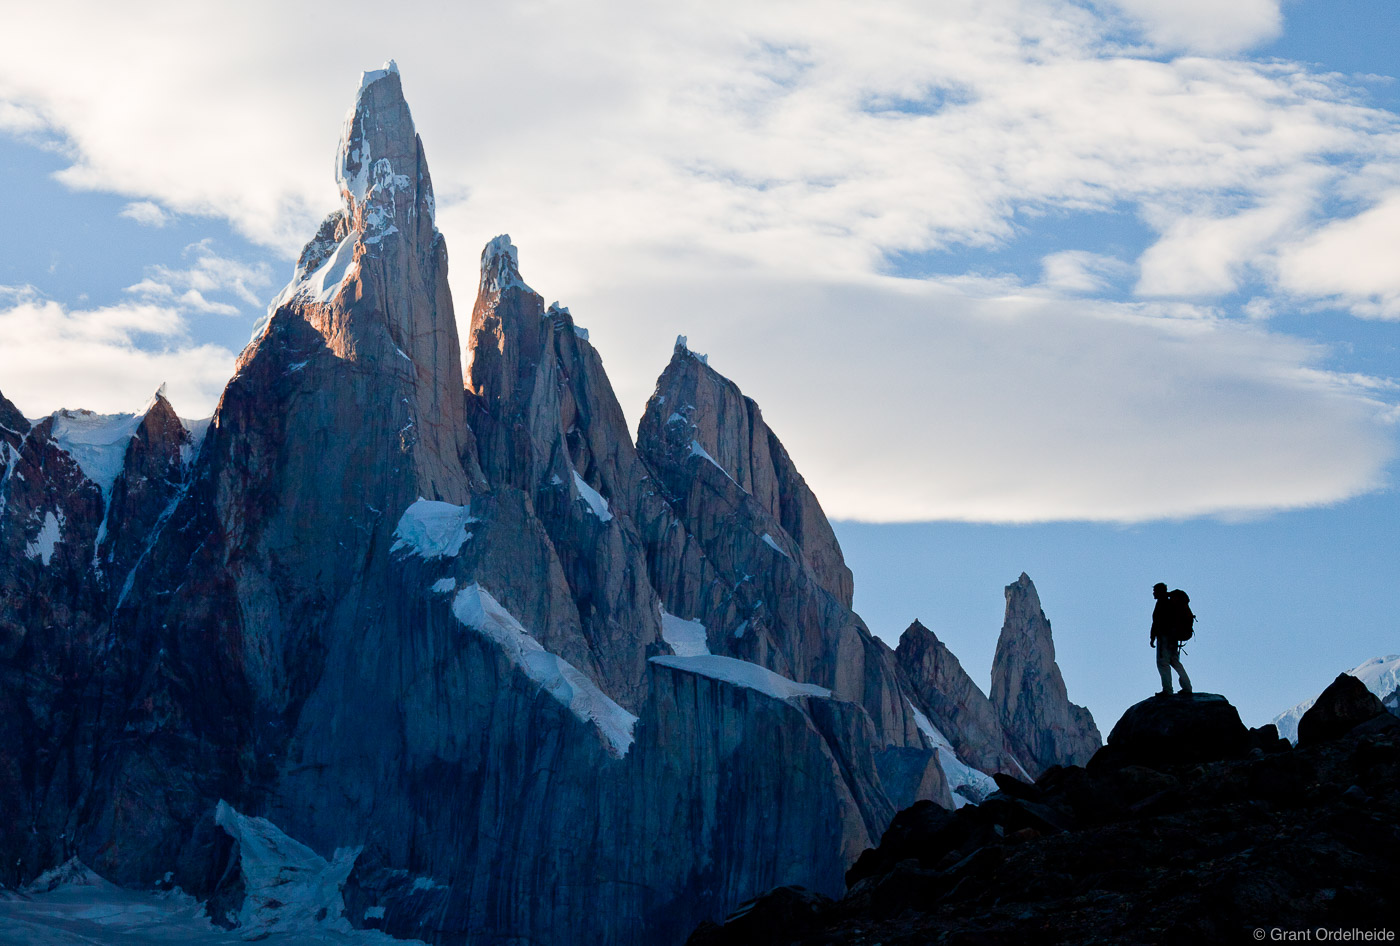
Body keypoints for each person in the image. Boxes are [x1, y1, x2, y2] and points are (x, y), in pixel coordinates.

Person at [1150, 582, 1192, 696]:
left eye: (1155, 591)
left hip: (1164, 637)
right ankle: (1187, 687)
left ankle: (1167, 690)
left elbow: (1157, 622)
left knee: (1163, 663)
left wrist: (1152, 637)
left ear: (1159, 591)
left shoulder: (1162, 603)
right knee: (1175, 662)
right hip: (1173, 637)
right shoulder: (1171, 602)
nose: (1153, 593)